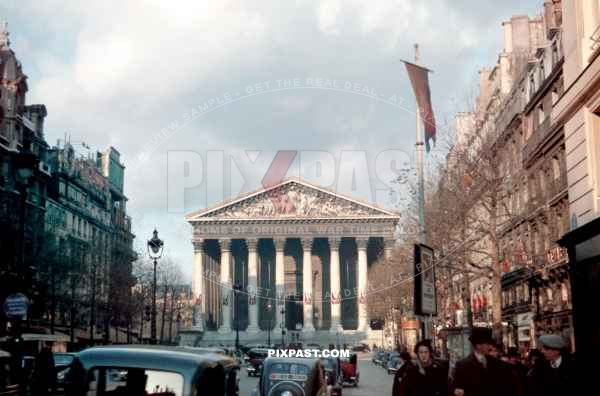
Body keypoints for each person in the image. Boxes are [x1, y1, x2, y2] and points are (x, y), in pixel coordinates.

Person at [451, 327, 516, 396]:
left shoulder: (499, 364)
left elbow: (508, 387)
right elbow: (457, 389)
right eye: (487, 344)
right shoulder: (462, 366)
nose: (490, 347)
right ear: (478, 345)